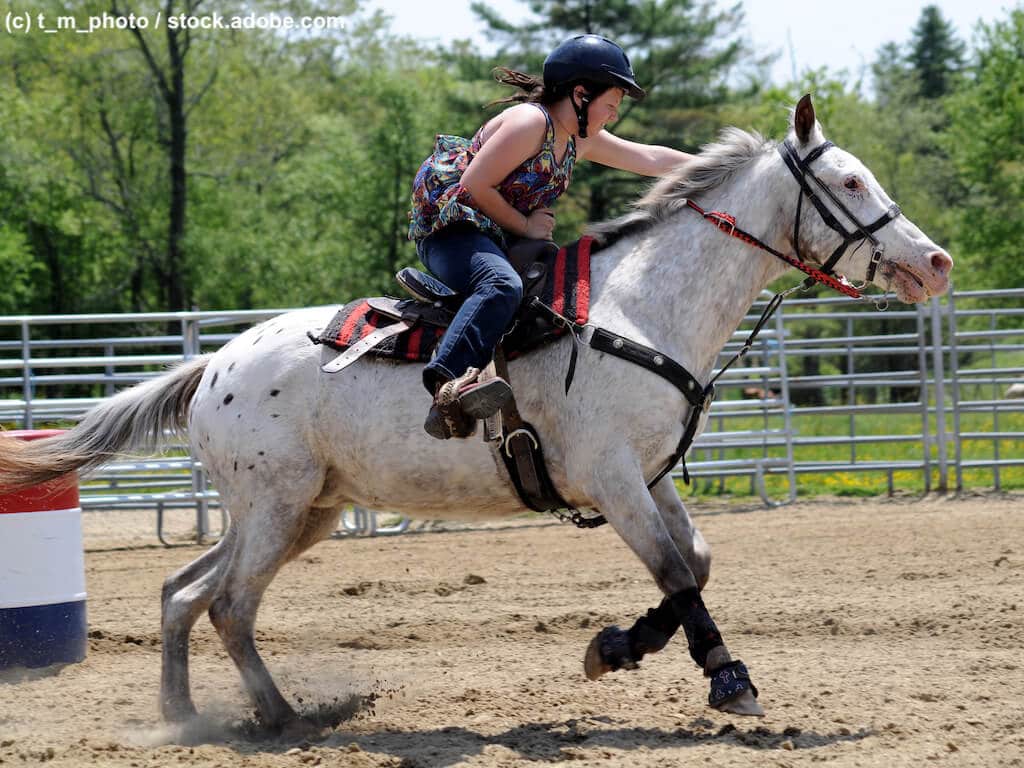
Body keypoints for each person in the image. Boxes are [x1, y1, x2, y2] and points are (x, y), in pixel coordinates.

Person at [408, 34, 694, 440]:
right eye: (611, 104)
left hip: (497, 238)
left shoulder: (576, 138)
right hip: (453, 232)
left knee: (556, 293)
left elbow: (649, 158)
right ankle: (445, 385)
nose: (613, 115)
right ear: (581, 94)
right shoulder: (530, 123)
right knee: (500, 284)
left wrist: (725, 167)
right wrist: (525, 227)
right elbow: (473, 186)